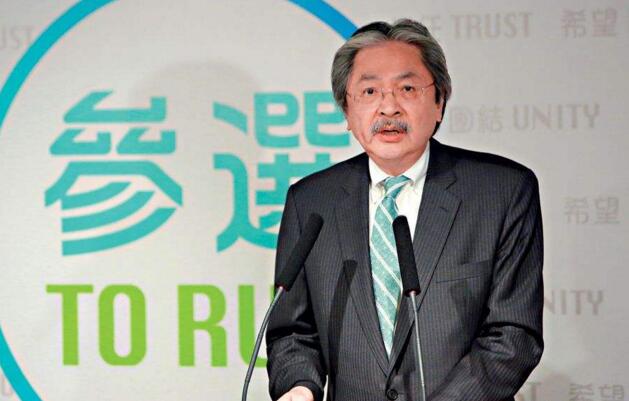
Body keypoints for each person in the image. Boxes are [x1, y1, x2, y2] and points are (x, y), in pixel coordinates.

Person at [266, 19, 543, 401]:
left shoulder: (501, 192)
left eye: (407, 88)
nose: (389, 106)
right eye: (369, 91)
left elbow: (513, 335)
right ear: (347, 110)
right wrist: (299, 386)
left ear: (439, 101)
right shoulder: (312, 202)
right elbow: (292, 332)